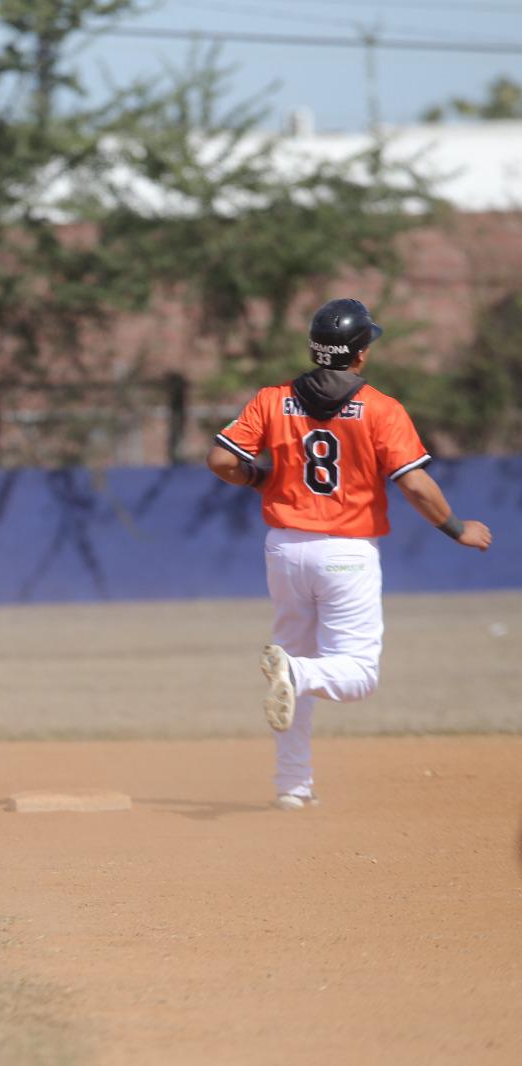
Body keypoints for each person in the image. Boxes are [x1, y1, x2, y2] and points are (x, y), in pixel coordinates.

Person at [207, 298, 492, 810]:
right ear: (359, 355)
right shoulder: (382, 409)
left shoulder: (273, 399)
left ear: (316, 349)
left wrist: (257, 476)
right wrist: (456, 528)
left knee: (292, 664)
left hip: (285, 550)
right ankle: (295, 675)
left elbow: (222, 459)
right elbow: (416, 485)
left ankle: (292, 787)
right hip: (345, 552)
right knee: (356, 675)